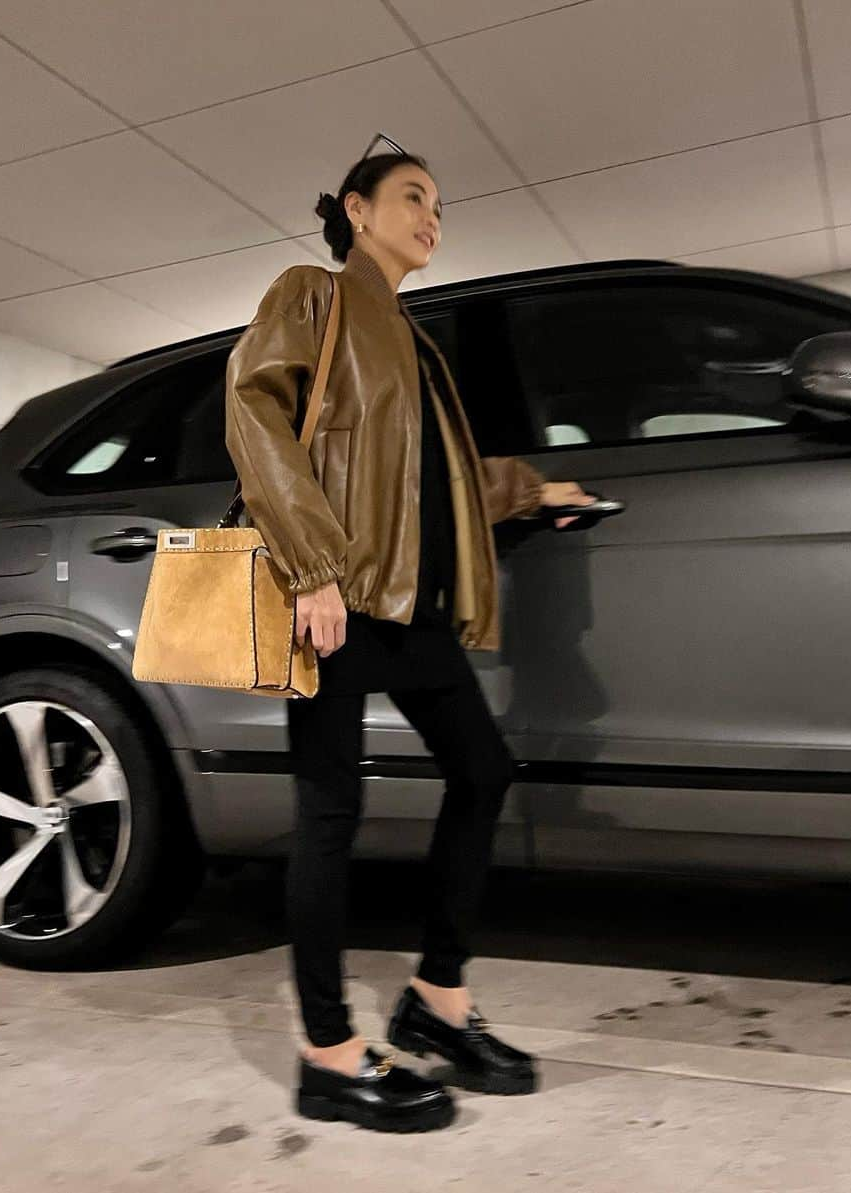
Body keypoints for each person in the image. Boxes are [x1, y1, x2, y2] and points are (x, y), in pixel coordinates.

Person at [224, 139, 596, 1133]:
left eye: (441, 205)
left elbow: (449, 476)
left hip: (411, 607)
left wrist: (540, 490)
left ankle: (435, 1002)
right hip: (339, 600)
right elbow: (255, 413)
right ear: (356, 208)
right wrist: (313, 565)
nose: (434, 217)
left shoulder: (414, 339)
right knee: (329, 814)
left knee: (484, 771)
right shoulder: (314, 294)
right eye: (413, 197)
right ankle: (329, 1053)